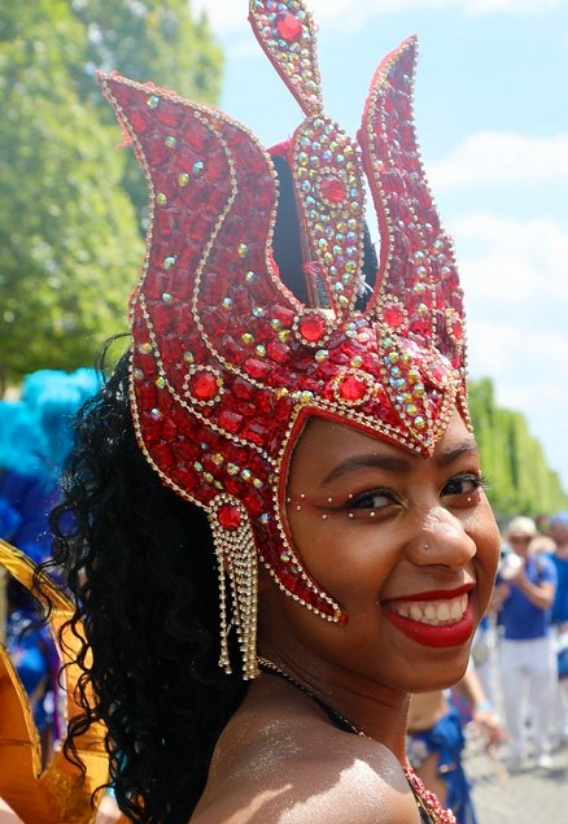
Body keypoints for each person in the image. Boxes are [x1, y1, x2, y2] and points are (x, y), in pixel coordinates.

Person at [2, 2, 500, 822]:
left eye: (461, 485)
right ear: (238, 521)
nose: (449, 539)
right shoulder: (334, 796)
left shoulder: (300, 748)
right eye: (369, 498)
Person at [491, 515, 557, 769]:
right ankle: (517, 749)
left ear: (532, 541)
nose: (521, 544)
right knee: (511, 699)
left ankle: (541, 748)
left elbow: (545, 601)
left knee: (542, 698)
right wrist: (502, 592)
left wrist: (522, 582)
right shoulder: (501, 570)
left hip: (540, 642)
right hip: (510, 643)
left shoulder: (543, 566)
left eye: (526, 540)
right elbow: (489, 606)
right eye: (516, 539)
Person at [407, 661, 505, 824]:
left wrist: (481, 704)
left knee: (441, 814)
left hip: (432, 738)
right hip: (373, 743)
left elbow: (454, 659)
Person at [548, 511, 568, 744]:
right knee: (556, 680)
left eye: (563, 526)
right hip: (551, 630)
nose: (560, 531)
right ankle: (561, 727)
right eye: (556, 527)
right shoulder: (546, 560)